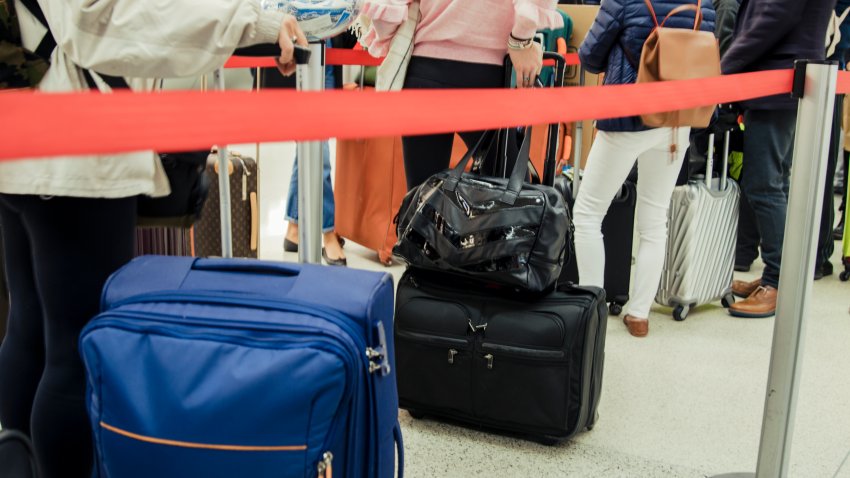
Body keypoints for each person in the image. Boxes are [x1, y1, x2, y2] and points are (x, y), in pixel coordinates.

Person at [0, 2, 307, 476]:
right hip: (75, 147)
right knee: (78, 350)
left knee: (32, 332)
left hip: (25, 123)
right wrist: (251, 23)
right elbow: (99, 21)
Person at [573, 0, 716, 338]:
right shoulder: (703, 4)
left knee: (589, 213)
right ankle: (639, 315)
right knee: (654, 219)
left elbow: (590, 56)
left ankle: (591, 313)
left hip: (627, 117)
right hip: (676, 123)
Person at [360, 0, 563, 190]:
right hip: (487, 72)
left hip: (425, 67)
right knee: (511, 196)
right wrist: (522, 39)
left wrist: (386, 37)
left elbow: (386, 11)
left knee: (423, 201)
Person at [723, 0, 836, 318]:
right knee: (774, 182)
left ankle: (778, 280)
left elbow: (774, 17)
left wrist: (725, 68)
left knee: (764, 184)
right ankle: (781, 273)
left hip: (778, 79)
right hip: (779, 79)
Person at [281, 40, 347, 266]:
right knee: (318, 147)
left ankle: (294, 228)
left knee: (310, 145)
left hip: (325, 55)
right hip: (298, 53)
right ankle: (327, 232)